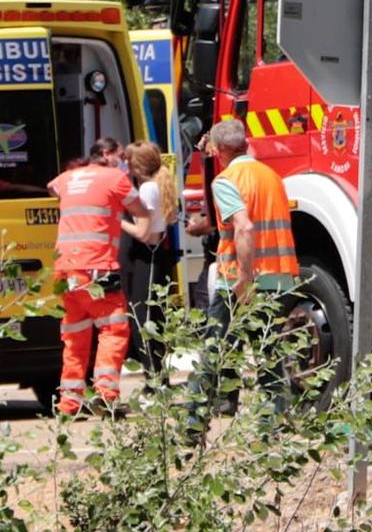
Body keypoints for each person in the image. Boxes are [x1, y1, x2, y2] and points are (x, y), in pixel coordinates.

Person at [183, 119, 301, 436]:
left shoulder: (226, 180)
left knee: (214, 351)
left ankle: (193, 426)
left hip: (240, 282)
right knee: (269, 356)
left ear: (221, 151)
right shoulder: (272, 177)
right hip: (279, 278)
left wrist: (244, 278)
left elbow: (244, 227)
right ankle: (271, 427)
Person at [49, 141, 136, 416]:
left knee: (75, 336)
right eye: (121, 156)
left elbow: (52, 188)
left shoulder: (67, 177)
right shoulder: (115, 178)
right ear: (107, 156)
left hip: (66, 269)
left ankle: (68, 403)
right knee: (114, 329)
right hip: (97, 269)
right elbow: (142, 208)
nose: (122, 161)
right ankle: (105, 395)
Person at [119, 140, 180, 374]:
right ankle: (155, 375)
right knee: (151, 316)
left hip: (148, 255)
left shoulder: (147, 189)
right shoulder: (157, 185)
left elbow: (142, 232)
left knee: (143, 318)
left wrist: (118, 220)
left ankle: (153, 376)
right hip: (156, 254)